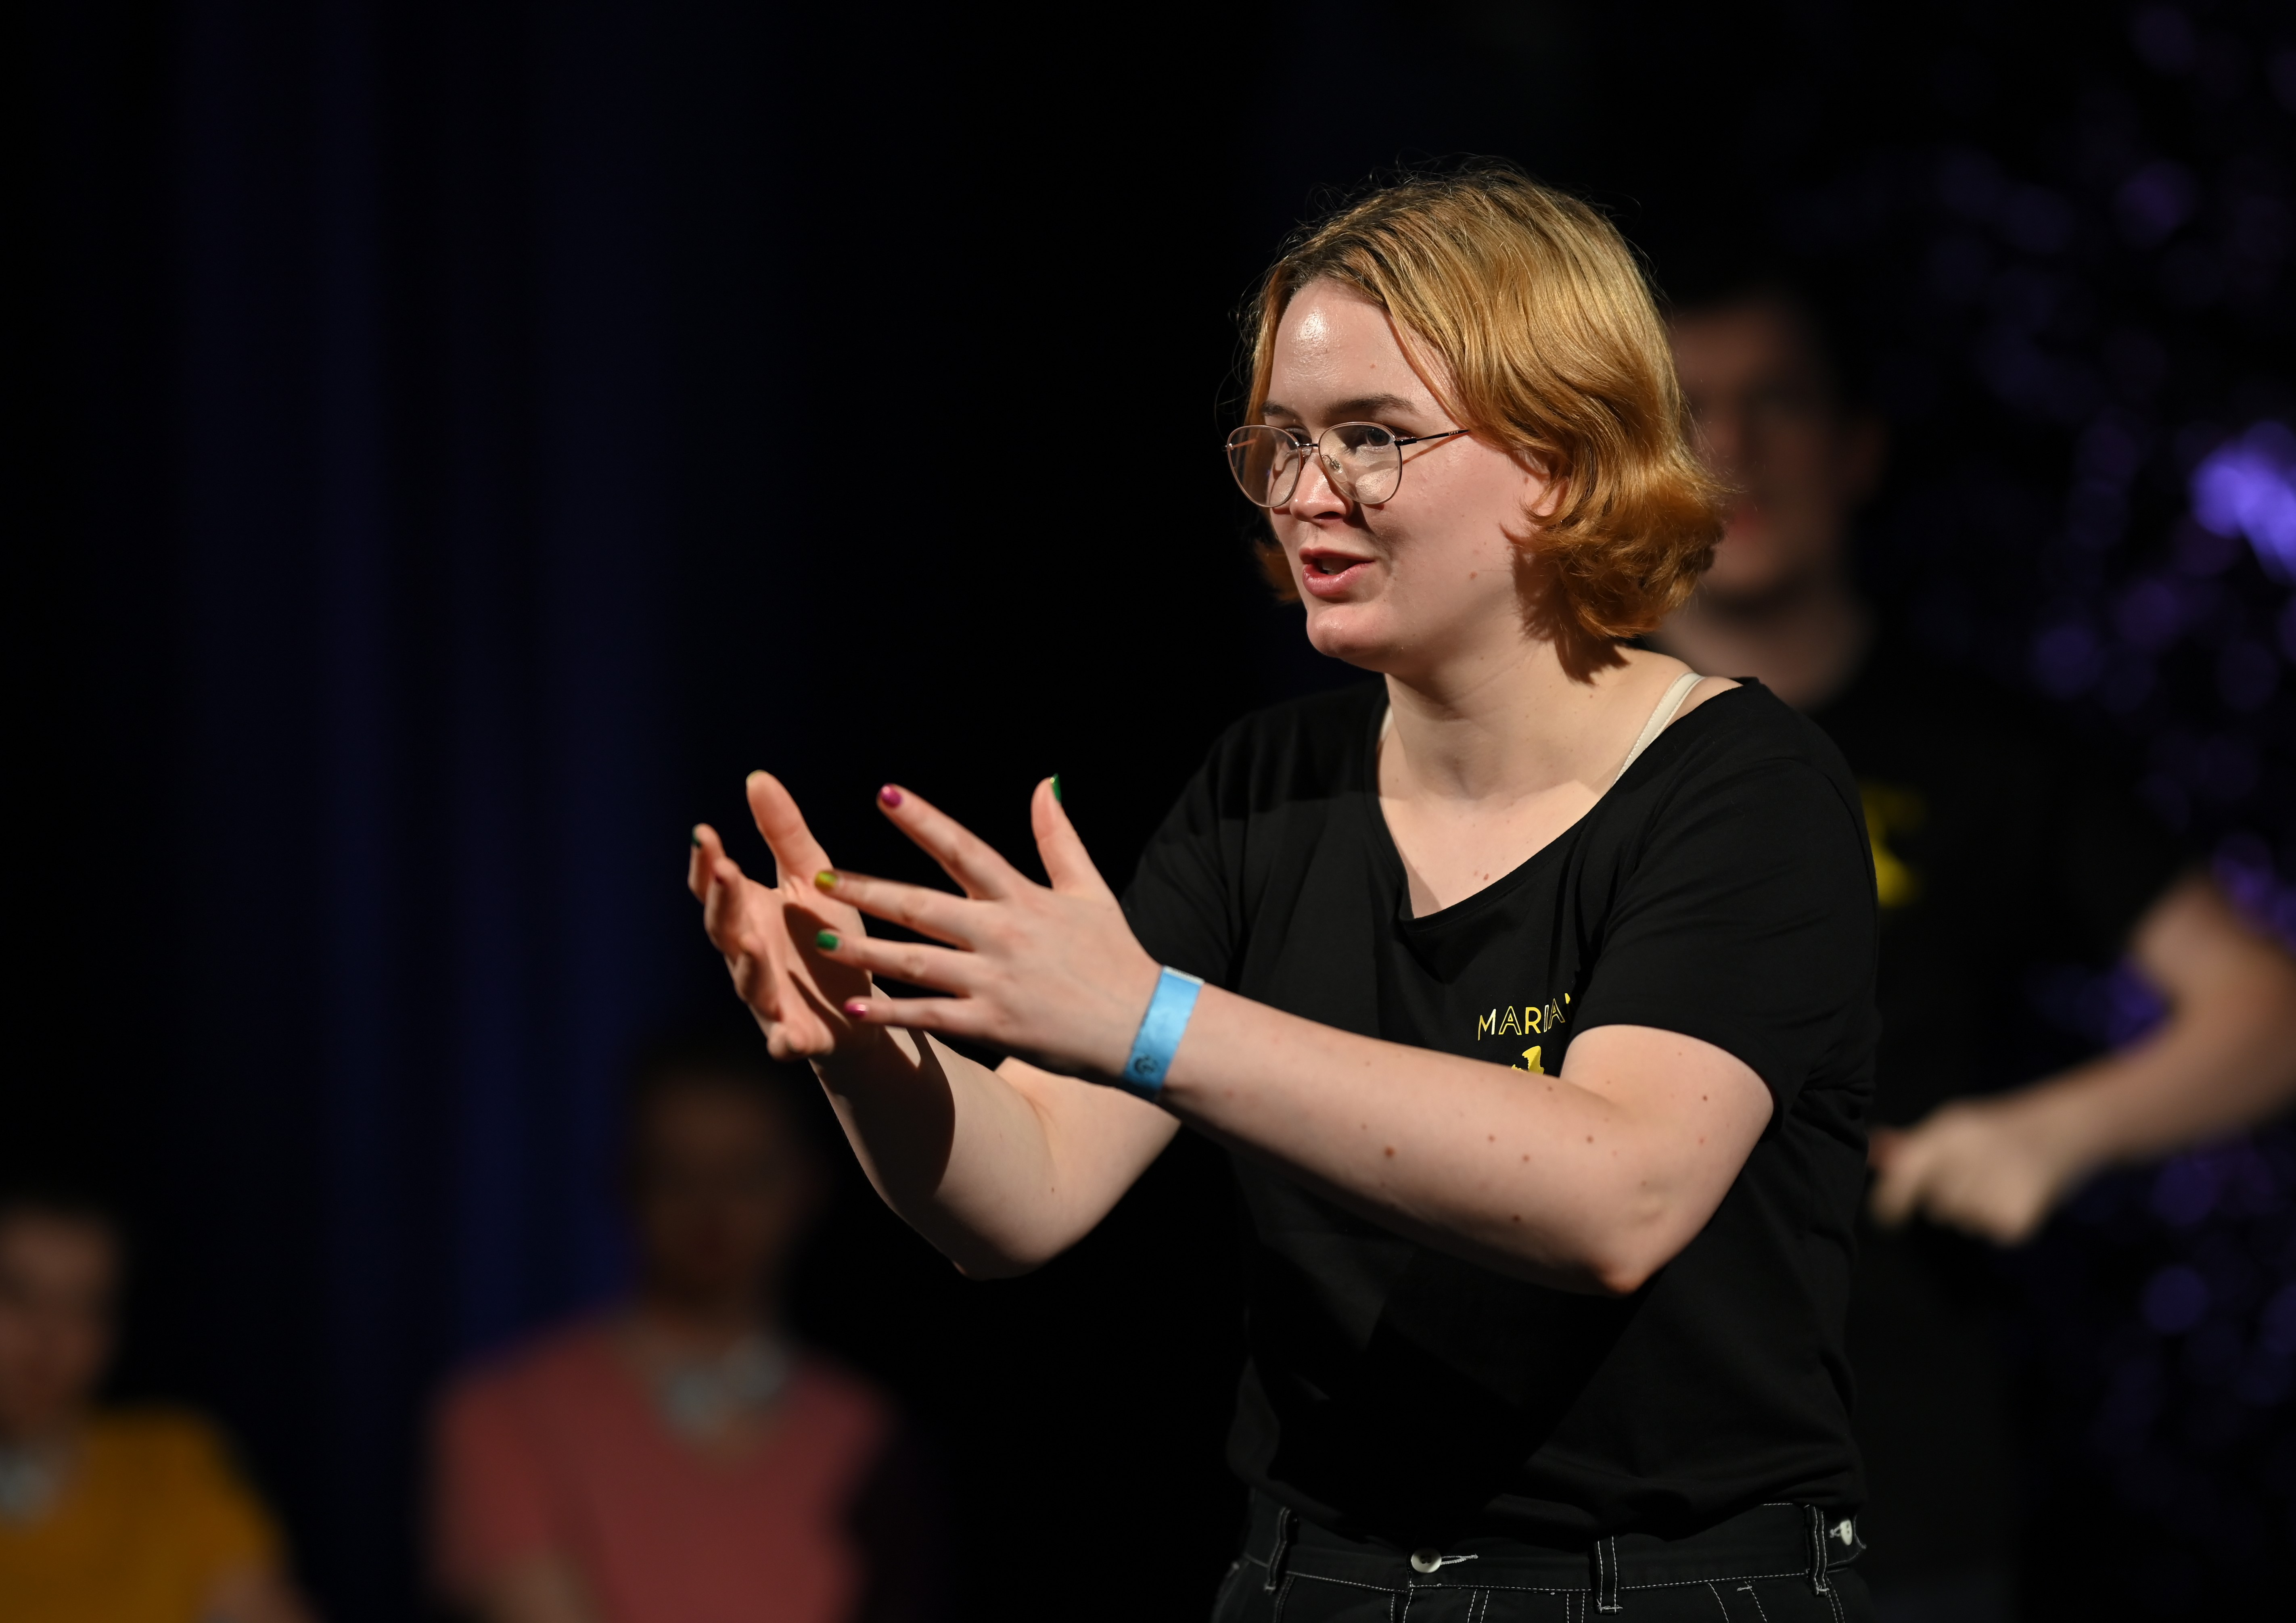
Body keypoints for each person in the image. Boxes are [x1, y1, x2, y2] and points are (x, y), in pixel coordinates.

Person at [690, 167, 1884, 1620]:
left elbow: (1615, 1192)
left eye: (1372, 439)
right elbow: (1024, 1196)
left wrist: (1151, 1020)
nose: (1309, 495)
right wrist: (863, 1043)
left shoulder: (1743, 786)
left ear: (1563, 460)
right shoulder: (1268, 785)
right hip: (1317, 1577)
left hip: (1662, 1589)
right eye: (1283, 442)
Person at [1655, 283, 2296, 1622]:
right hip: (1581, 1504)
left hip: (1897, 1491)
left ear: (1856, 447)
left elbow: (2266, 1006)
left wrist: (2046, 1134)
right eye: (1687, 411)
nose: (1735, 448)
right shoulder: (1524, 742)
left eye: (1776, 402)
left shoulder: (1985, 748)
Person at [431, 1035, 939, 1623]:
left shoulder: (867, 1436)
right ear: (626, 1181)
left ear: (807, 1186)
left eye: (746, 1175)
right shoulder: (504, 1414)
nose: (711, 1207)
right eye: (677, 1173)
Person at [0, 1182, 312, 1623]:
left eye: (84, 1305)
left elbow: (256, 1602)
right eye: (18, 1294)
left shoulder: (169, 1463)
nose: (49, 1334)